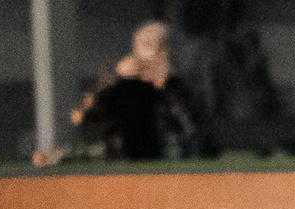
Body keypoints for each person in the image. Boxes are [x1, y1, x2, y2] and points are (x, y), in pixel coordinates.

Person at [80, 21, 217, 160]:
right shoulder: (119, 85)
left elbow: (192, 131)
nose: (138, 53)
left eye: (148, 45)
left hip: (166, 157)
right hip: (126, 159)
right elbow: (91, 120)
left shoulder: (177, 86)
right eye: (138, 45)